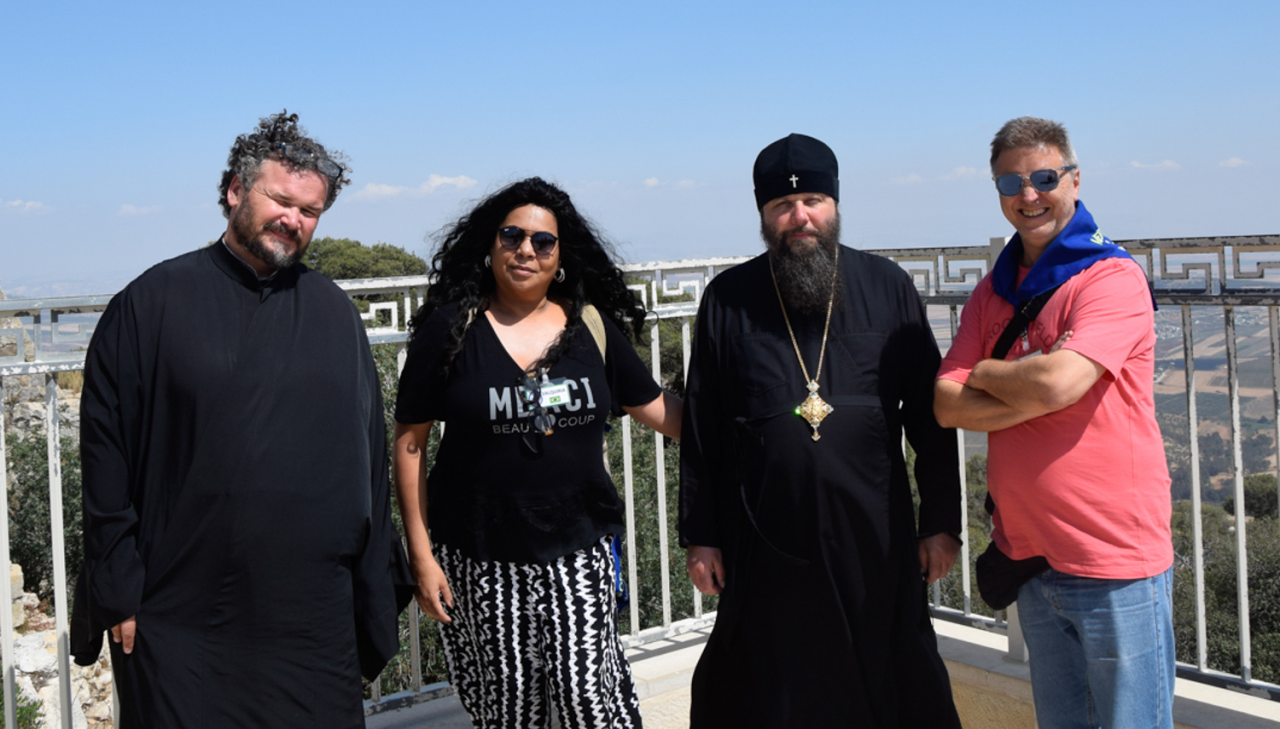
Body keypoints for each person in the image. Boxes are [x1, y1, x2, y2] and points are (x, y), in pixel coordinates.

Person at [70, 111, 412, 728]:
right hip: (180, 619)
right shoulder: (151, 303)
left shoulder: (335, 314)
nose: (293, 220)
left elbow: (367, 463)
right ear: (234, 190)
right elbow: (105, 450)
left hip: (313, 622)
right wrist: (116, 581)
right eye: (281, 201)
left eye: (310, 211)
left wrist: (371, 586)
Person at [679, 134, 963, 728]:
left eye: (812, 200)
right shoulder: (728, 299)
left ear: (834, 204)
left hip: (875, 537)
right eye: (782, 206)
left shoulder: (887, 286)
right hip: (765, 542)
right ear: (763, 215)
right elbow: (705, 427)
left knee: (887, 679)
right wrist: (701, 536)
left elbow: (930, 418)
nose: (799, 216)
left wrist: (940, 523)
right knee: (771, 690)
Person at [393, 177, 682, 729]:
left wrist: (749, 427)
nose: (526, 250)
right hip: (481, 554)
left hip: (579, 546)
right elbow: (410, 443)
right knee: (510, 709)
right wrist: (421, 555)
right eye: (512, 236)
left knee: (587, 698)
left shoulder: (588, 326)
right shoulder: (451, 328)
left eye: (543, 241)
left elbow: (657, 409)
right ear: (491, 244)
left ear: (561, 256)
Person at [934, 116, 1174, 729]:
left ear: (1074, 180)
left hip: (1113, 558)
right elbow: (946, 404)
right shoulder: (993, 291)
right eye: (1010, 183)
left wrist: (987, 372)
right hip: (1030, 558)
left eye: (1043, 178)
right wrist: (1031, 382)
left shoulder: (1111, 276)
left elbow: (1058, 383)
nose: (1028, 195)